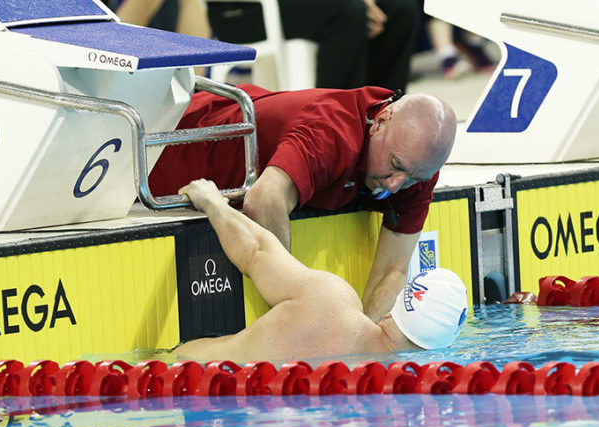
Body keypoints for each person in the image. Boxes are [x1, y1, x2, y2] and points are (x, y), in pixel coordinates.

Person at [149, 84, 457, 323]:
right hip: (171, 143)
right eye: (394, 165)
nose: (395, 184)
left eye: (413, 177)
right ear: (380, 122)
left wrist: (362, 340)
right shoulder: (332, 132)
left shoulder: (417, 165)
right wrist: (299, 304)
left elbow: (394, 268)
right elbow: (263, 199)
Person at [172, 179, 468, 362]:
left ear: (395, 309)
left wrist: (212, 203)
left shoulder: (330, 301)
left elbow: (255, 251)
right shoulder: (382, 394)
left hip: (170, 373)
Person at [206, 0, 416, 92]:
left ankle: (382, 118)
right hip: (242, 10)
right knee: (348, 12)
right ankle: (335, 124)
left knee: (400, 10)